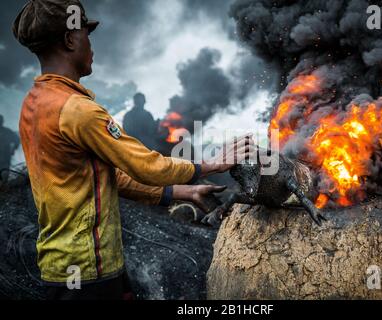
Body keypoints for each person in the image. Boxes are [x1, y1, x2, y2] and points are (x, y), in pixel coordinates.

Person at [13, 0, 254, 300]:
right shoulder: (78, 111)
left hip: (64, 266)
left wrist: (182, 192)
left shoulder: (34, 103)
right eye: (87, 34)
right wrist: (209, 165)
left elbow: (108, 177)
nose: (92, 45)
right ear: (70, 39)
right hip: (89, 272)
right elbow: (145, 166)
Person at [0, 114, 20, 183]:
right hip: (5, 158)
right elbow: (17, 140)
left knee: (4, 177)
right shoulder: (8, 132)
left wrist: (14, 149)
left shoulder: (7, 132)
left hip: (5, 158)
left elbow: (17, 140)